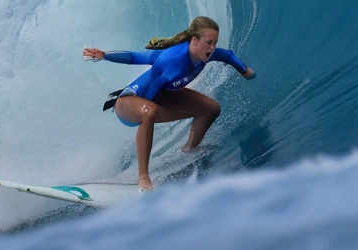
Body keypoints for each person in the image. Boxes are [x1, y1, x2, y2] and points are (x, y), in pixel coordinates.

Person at [83, 16, 254, 191]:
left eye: (214, 43)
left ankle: (189, 150)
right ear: (194, 40)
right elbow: (136, 59)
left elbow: (228, 55)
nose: (212, 48)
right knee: (149, 110)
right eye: (209, 42)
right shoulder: (173, 60)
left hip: (159, 97)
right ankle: (143, 177)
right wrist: (104, 56)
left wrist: (245, 71)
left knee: (211, 109)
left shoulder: (206, 53)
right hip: (128, 101)